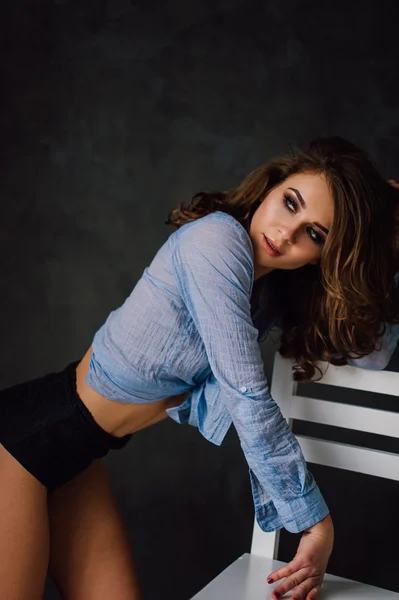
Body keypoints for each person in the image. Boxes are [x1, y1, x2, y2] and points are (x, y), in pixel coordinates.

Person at [1, 137, 398, 600]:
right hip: (23, 441)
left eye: (315, 234)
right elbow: (246, 394)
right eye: (290, 203)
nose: (287, 233)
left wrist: (389, 244)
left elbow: (367, 354)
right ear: (271, 186)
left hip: (76, 458)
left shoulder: (269, 289)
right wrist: (314, 522)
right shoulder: (216, 241)